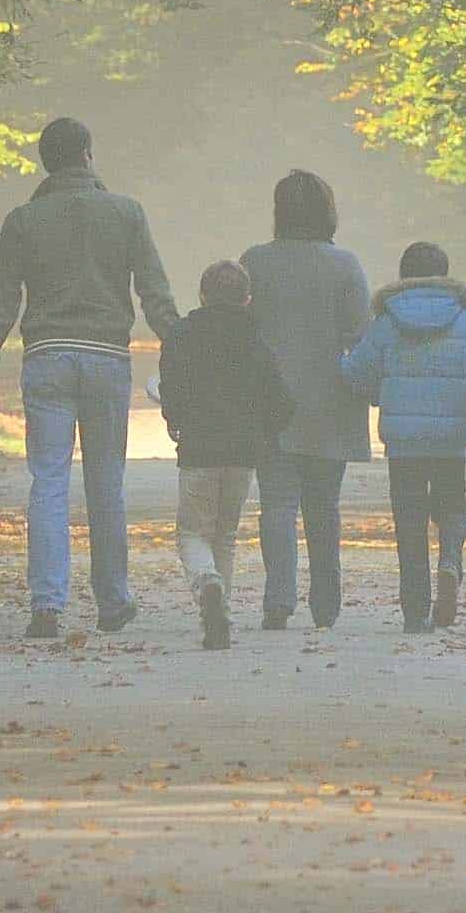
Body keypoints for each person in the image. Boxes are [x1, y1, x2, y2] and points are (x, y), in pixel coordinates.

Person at [0, 114, 184, 639]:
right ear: (88, 153)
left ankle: (47, 604)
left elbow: (0, 299)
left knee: (48, 482)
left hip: (47, 357)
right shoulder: (127, 213)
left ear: (45, 161)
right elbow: (154, 293)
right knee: (106, 484)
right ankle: (112, 601)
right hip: (107, 359)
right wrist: (182, 348)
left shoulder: (23, 220)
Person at [338, 240, 466, 633]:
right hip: (450, 442)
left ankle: (416, 611)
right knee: (452, 505)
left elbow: (358, 375)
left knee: (409, 521)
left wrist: (342, 364)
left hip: (404, 445)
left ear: (404, 276)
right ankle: (450, 560)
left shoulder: (385, 322)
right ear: (446, 276)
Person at [240, 168, 371, 632]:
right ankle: (326, 601)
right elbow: (362, 337)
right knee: (323, 506)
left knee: (276, 505)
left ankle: (278, 598)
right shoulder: (346, 265)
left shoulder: (254, 262)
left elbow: (241, 331)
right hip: (330, 401)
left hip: (270, 403)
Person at [152, 259, 294, 649]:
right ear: (247, 299)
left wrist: (174, 420)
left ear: (202, 295)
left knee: (192, 531)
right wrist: (262, 434)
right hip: (243, 452)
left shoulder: (182, 335)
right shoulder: (256, 338)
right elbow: (280, 402)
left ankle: (207, 584)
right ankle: (221, 612)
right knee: (225, 534)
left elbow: (171, 386)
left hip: (199, 446)